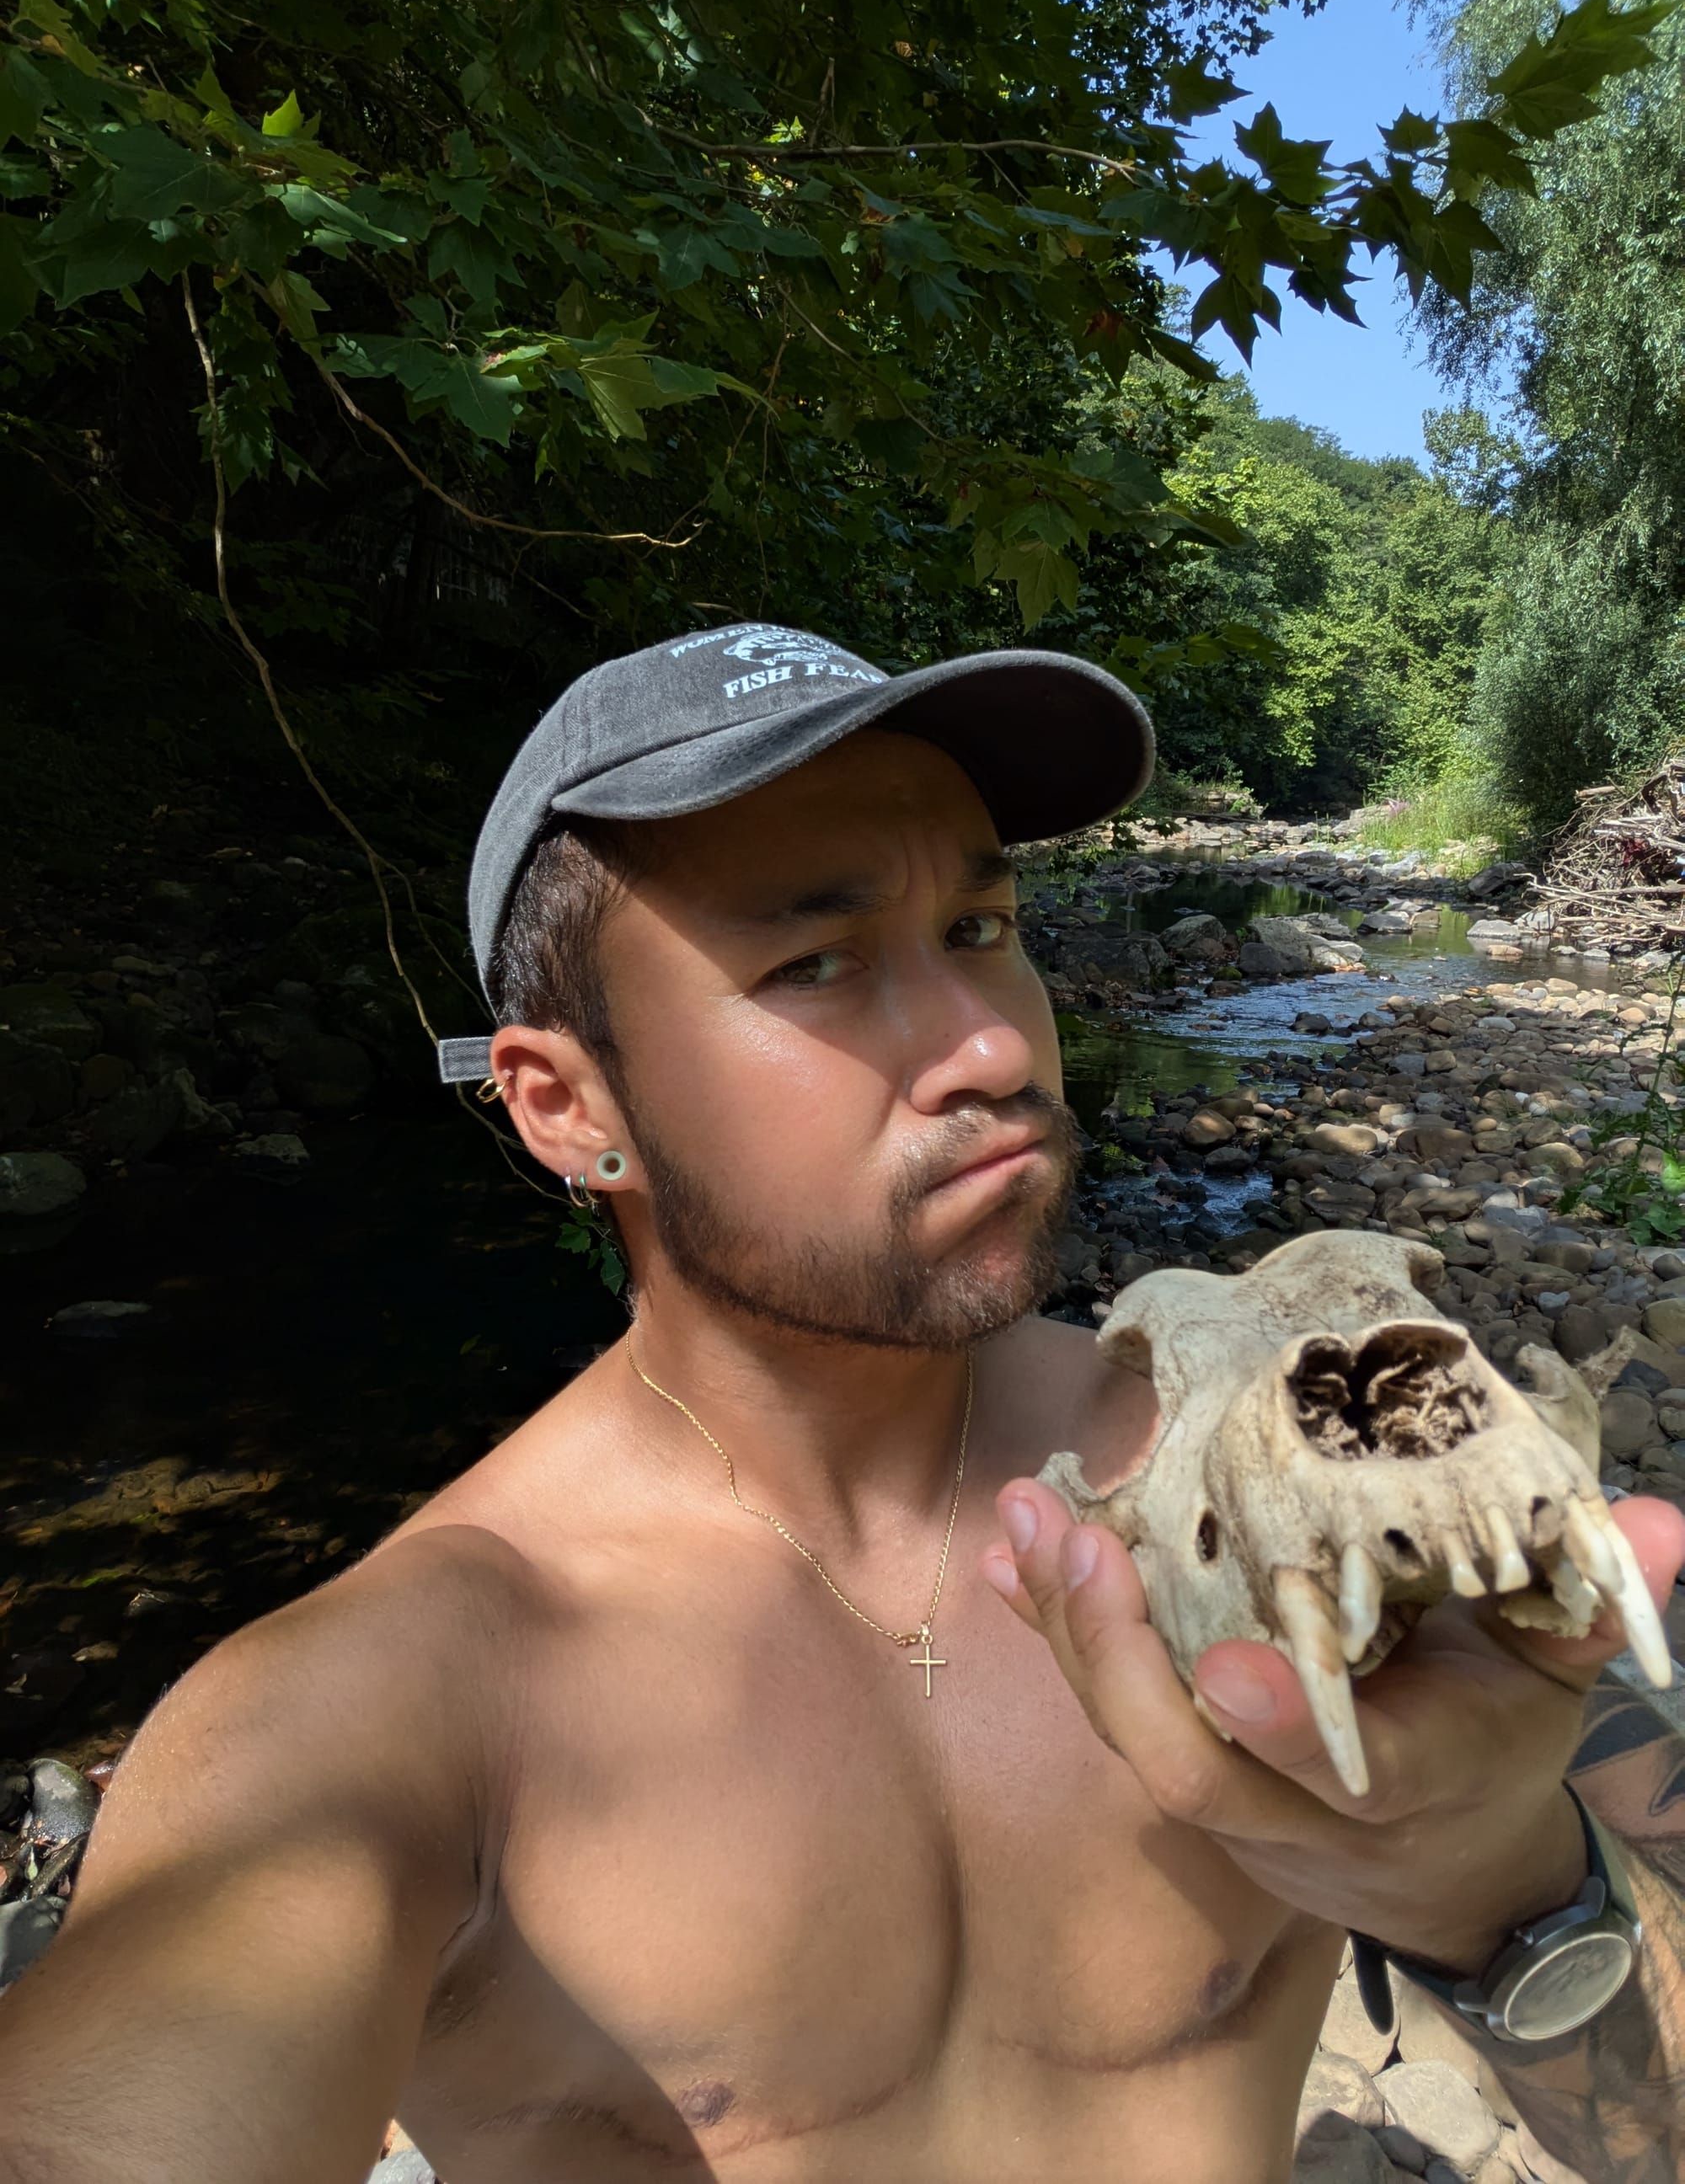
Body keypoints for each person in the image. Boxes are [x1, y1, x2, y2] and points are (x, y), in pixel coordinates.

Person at [1, 622, 1682, 2184]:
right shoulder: (407, 1699)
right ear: (565, 1103)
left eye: (977, 927)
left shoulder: (1271, 1478)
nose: (993, 1045)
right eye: (814, 961)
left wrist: (1498, 1890)